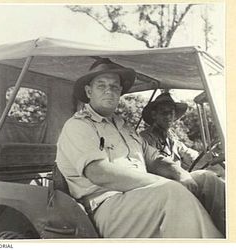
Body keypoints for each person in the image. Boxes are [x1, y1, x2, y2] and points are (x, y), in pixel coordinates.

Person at [56, 58, 224, 238]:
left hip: (141, 196)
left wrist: (179, 173)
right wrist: (161, 182)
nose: (109, 90)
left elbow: (155, 158)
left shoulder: (125, 128)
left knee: (208, 180)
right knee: (172, 192)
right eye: (101, 85)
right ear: (89, 91)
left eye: (114, 86)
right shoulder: (78, 126)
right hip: (106, 205)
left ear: (120, 91)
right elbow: (99, 173)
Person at [140, 92, 225, 235]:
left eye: (172, 113)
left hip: (181, 183)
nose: (169, 116)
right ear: (154, 115)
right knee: (206, 179)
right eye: (164, 113)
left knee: (214, 176)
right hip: (162, 189)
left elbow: (190, 155)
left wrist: (211, 155)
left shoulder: (171, 137)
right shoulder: (145, 138)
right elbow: (156, 163)